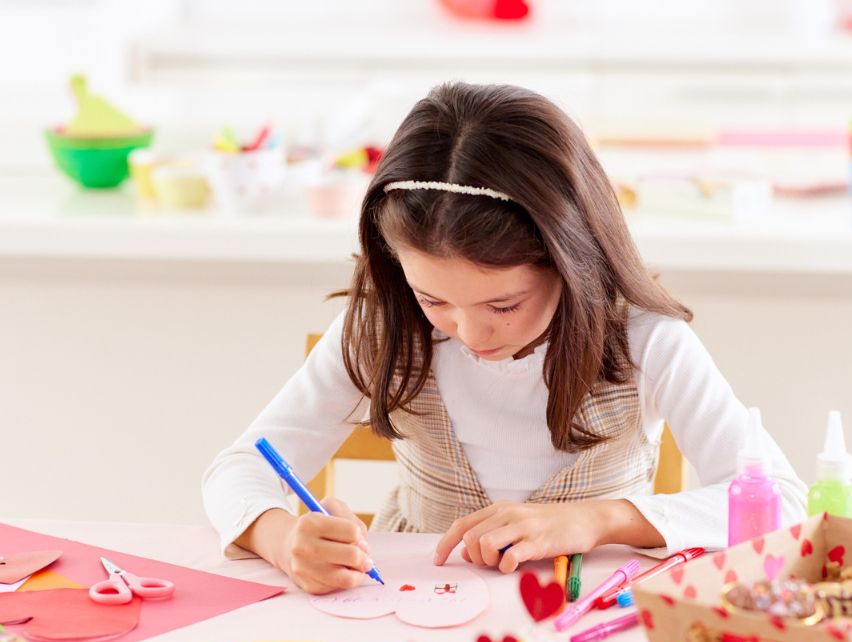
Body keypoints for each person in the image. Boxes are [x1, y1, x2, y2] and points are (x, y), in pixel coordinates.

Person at [203, 82, 806, 594]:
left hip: (588, 618)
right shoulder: (383, 330)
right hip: (414, 615)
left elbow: (783, 503)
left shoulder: (645, 341)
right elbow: (235, 471)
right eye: (433, 298)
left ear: (573, 263)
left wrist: (600, 521)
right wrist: (283, 540)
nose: (469, 331)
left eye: (503, 303)